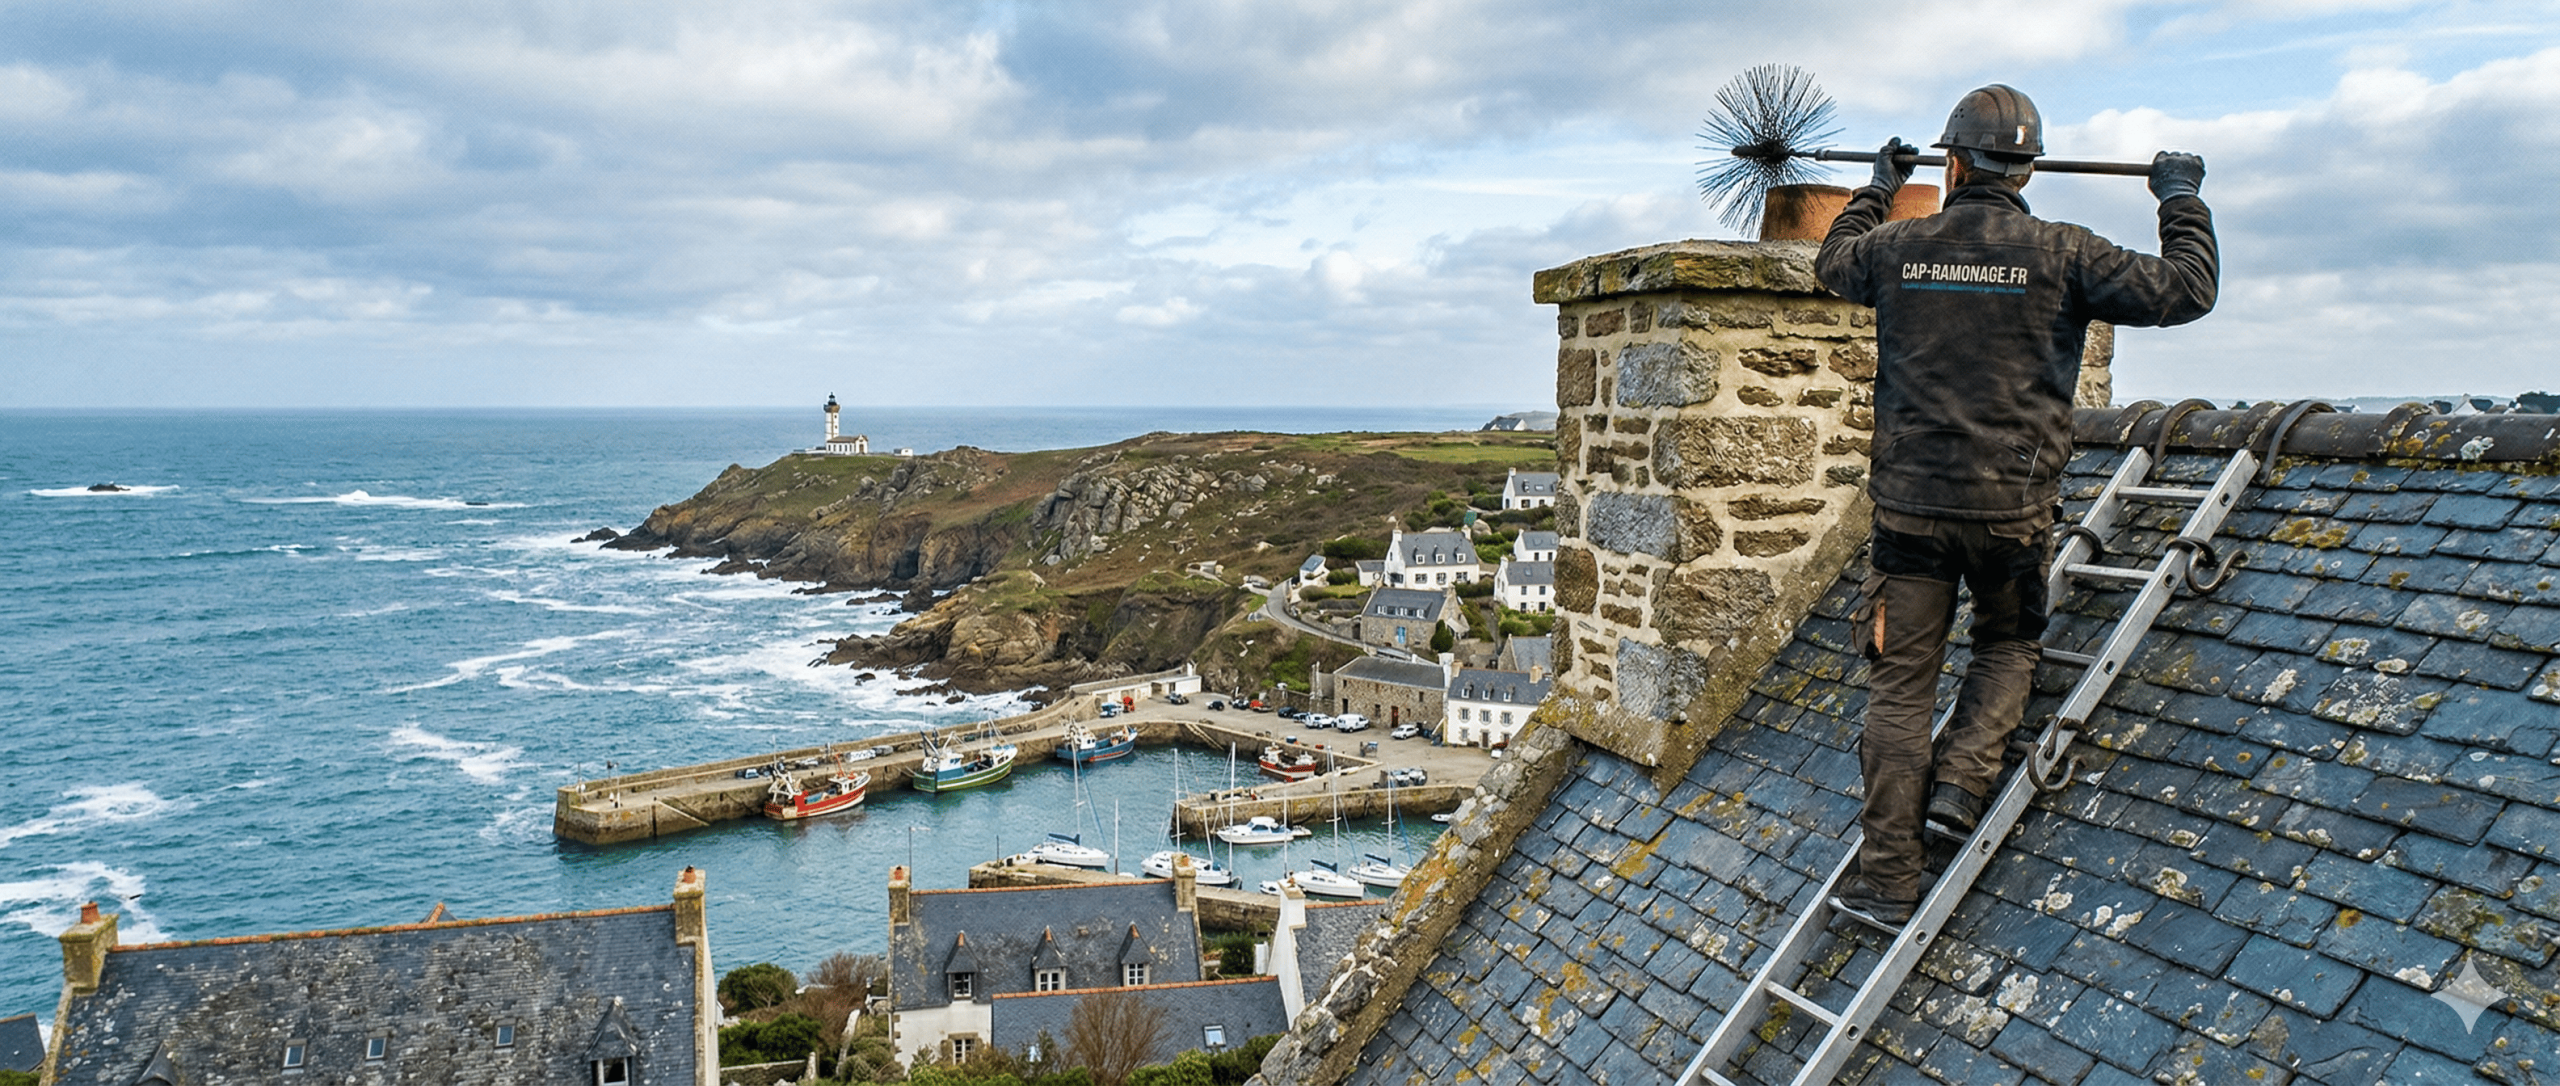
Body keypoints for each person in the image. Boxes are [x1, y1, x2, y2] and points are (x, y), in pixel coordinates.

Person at [1812, 84, 2219, 927]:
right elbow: (2186, 290)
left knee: (1900, 691)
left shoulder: (1897, 248)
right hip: (2013, 511)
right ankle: (1960, 783)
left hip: (1911, 514)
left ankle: (1889, 879)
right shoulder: (2065, 252)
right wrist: (2180, 198)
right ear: (2026, 168)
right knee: (2006, 642)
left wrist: (1881, 185)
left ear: (1952, 162)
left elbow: (1833, 258)